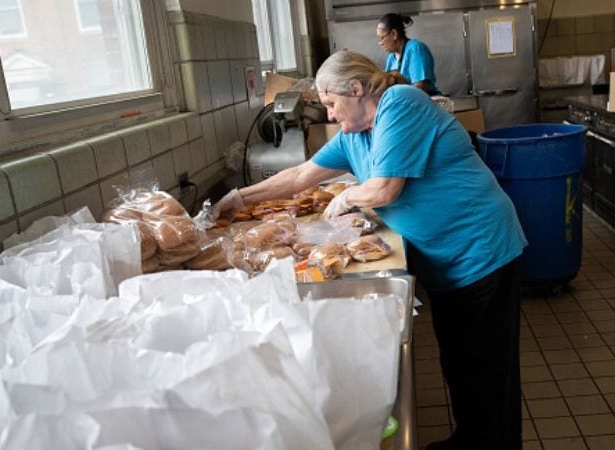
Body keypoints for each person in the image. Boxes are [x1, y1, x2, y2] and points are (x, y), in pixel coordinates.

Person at [212, 50, 527, 450]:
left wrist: (348, 197)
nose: (328, 116)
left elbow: (384, 188)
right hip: (445, 262)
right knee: (460, 361)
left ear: (356, 89)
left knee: (488, 367)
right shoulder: (353, 137)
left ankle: (494, 443)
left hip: (480, 250)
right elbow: (299, 176)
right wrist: (238, 198)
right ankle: (470, 439)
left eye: (330, 103)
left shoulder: (401, 103)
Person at [377, 13, 439, 95]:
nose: (380, 43)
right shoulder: (391, 58)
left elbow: (420, 88)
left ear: (394, 34)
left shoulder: (416, 48)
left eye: (382, 38)